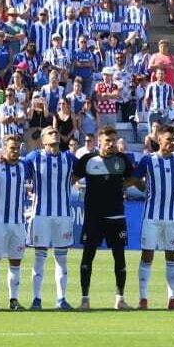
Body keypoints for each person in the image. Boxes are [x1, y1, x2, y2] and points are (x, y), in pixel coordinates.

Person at [72, 124, 140, 310]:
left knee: (119, 257)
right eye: (107, 141)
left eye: (113, 141)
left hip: (116, 216)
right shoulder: (87, 159)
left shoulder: (123, 160)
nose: (111, 144)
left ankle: (120, 299)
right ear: (99, 141)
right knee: (88, 256)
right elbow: (72, 179)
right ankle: (85, 299)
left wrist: (120, 186)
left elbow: (132, 179)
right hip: (93, 217)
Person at [136, 125, 174, 310]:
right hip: (152, 216)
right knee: (147, 255)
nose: (172, 143)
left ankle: (172, 299)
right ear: (159, 140)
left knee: (172, 256)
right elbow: (135, 178)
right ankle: (143, 299)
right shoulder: (148, 160)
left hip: (173, 217)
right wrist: (146, 189)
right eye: (168, 140)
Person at [24, 128, 78, 310]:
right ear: (43, 139)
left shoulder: (69, 158)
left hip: (62, 216)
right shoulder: (33, 157)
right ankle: (36, 299)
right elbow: (18, 170)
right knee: (39, 258)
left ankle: (61, 299)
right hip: (40, 216)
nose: (55, 134)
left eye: (56, 132)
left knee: (61, 259)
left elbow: (82, 171)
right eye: (51, 132)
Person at [0, 134, 32, 310]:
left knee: (16, 262)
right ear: (4, 148)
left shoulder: (24, 166)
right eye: (11, 148)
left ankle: (13, 300)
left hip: (18, 222)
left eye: (17, 148)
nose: (15, 151)